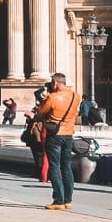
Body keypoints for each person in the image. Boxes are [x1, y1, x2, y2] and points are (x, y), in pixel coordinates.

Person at [31, 73, 82, 210]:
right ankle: (67, 199)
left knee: (54, 167)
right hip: (68, 134)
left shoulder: (52, 98)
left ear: (55, 83)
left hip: (54, 136)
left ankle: (58, 200)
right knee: (66, 167)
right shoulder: (75, 96)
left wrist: (41, 102)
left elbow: (40, 113)